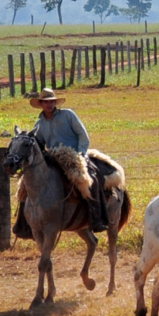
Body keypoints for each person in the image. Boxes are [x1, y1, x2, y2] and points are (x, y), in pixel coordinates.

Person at [27, 87, 104, 228]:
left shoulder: (68, 115)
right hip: (53, 158)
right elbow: (39, 144)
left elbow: (83, 135)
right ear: (41, 103)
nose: (49, 104)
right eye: (46, 102)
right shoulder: (39, 124)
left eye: (52, 101)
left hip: (74, 156)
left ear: (55, 102)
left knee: (89, 180)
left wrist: (80, 154)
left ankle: (96, 217)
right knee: (27, 185)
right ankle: (25, 223)